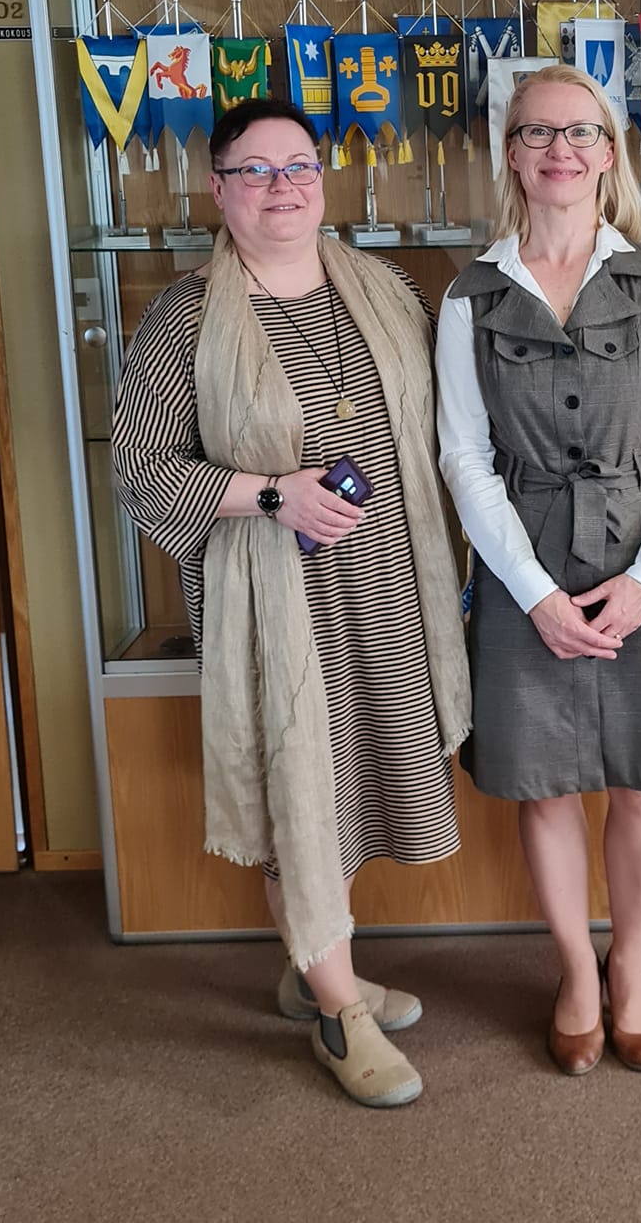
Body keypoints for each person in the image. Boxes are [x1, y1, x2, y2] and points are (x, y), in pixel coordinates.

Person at [113, 96, 470, 1108]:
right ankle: (338, 1011)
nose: (282, 187)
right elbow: (142, 470)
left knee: (348, 784)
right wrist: (272, 493)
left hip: (388, 588)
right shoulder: (185, 316)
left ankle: (314, 964)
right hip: (277, 601)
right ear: (217, 188)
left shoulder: (387, 288)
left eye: (299, 166)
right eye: (256, 170)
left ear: (324, 178)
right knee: (297, 789)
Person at [436, 64, 641, 1075]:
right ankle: (573, 970)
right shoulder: (470, 297)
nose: (559, 150)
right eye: (536, 132)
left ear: (609, 154)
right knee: (547, 786)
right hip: (522, 571)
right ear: (511, 155)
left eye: (581, 132)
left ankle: (632, 964)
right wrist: (533, 594)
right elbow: (463, 457)